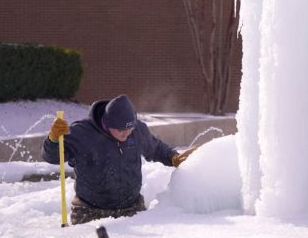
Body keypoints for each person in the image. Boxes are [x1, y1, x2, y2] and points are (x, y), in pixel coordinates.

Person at [43, 94, 196, 225]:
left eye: (130, 129)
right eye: (121, 130)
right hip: (89, 212)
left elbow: (155, 148)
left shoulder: (137, 131)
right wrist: (53, 140)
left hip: (132, 209)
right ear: (107, 124)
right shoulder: (82, 133)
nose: (127, 134)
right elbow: (53, 157)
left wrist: (173, 157)